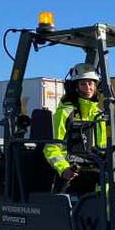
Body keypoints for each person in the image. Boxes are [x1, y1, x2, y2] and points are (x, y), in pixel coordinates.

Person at [43, 63, 107, 192]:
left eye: (91, 83)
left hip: (92, 165)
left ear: (96, 86)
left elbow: (102, 147)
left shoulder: (98, 115)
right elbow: (51, 148)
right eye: (83, 84)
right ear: (75, 87)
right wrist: (64, 168)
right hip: (70, 169)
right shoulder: (65, 113)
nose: (88, 88)